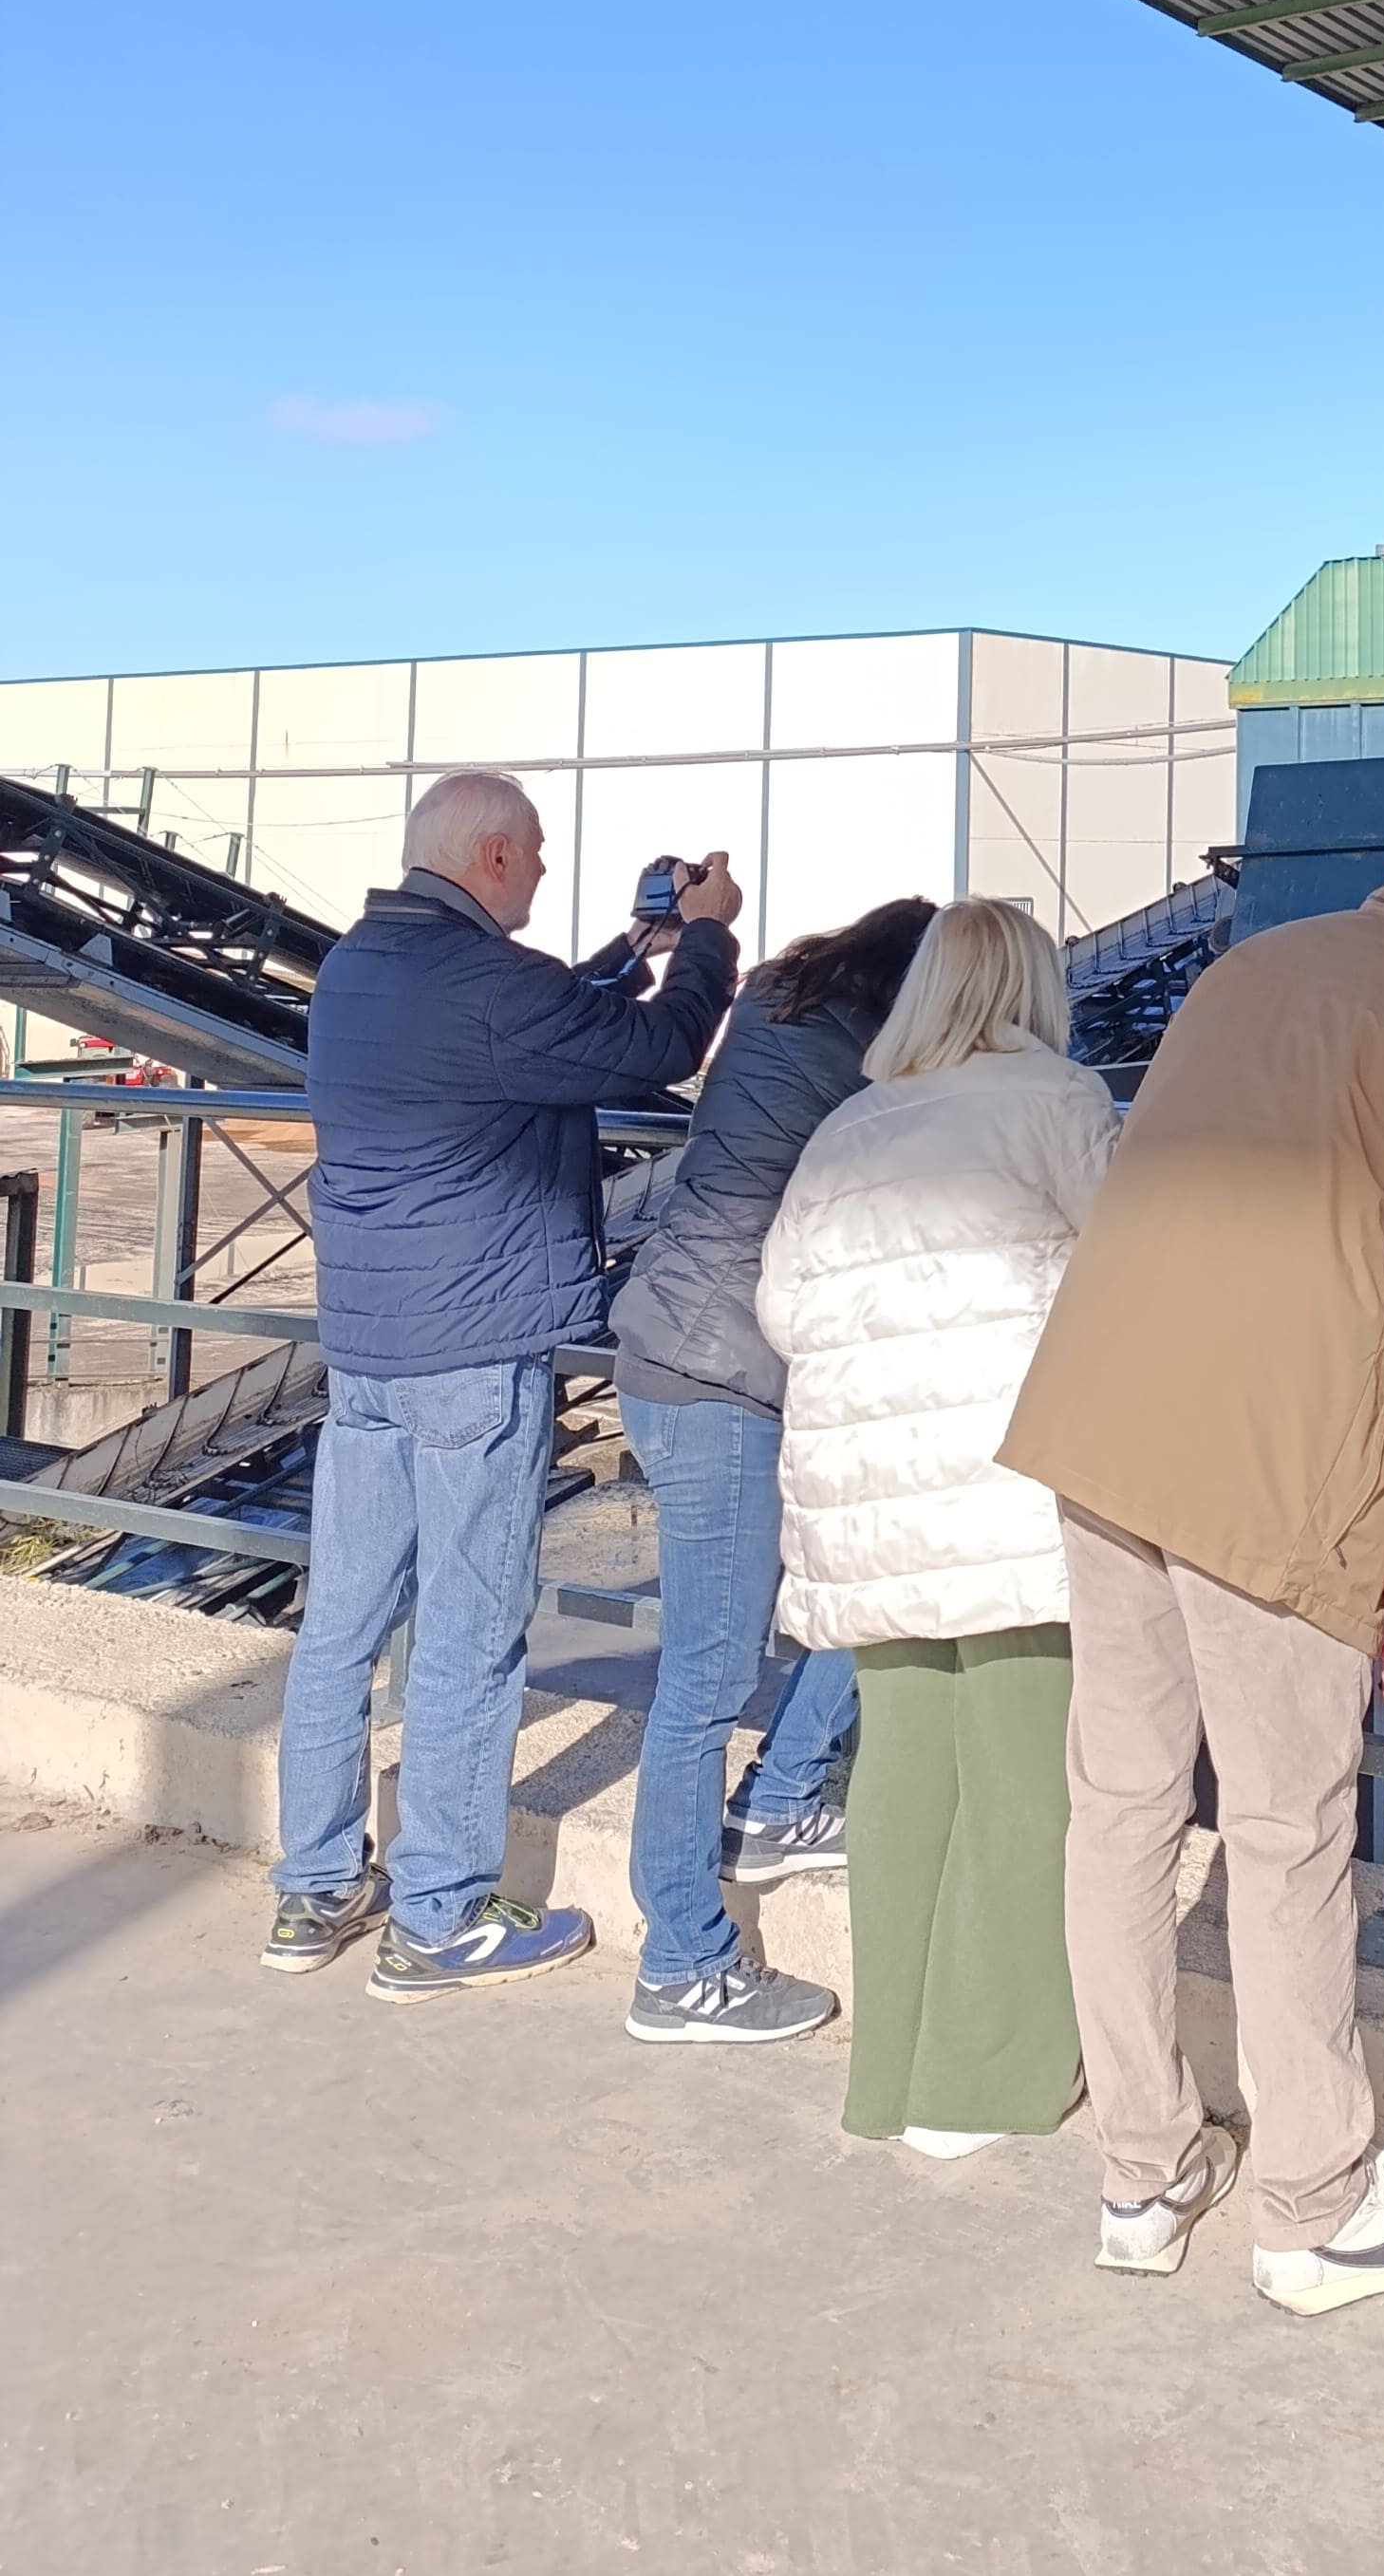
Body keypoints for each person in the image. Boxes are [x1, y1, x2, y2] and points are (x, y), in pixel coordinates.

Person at [999, 807, 1384, 2311]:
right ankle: (1315, 2209)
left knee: (1120, 1805)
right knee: (1287, 1830)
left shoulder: (1255, 967)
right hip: (1273, 1467)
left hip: (1105, 1418)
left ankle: (1142, 2174)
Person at [267, 771, 740, 1997]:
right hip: (471, 1353)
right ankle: (440, 1914)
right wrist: (708, 936)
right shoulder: (488, 987)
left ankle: (314, 1888)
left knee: (344, 1626)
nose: (537, 870)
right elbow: (656, 1051)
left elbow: (549, 1020)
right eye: (529, 855)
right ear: (486, 856)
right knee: (471, 1636)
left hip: (367, 1346)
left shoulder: (362, 966)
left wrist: (635, 943)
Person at [755, 899, 1120, 2157]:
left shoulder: (850, 1125)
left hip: (867, 1505)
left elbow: (782, 1310)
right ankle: (984, 2079)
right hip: (1011, 1497)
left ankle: (891, 2068)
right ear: (1029, 988)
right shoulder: (1059, 1100)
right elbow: (1126, 1273)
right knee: (1028, 1782)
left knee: (903, 1773)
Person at [609, 893, 937, 2047]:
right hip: (728, 1379)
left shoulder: (771, 1004)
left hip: (672, 1341)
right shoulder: (878, 1069)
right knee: (704, 1680)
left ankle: (783, 1798)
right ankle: (682, 1966)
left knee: (852, 1588)